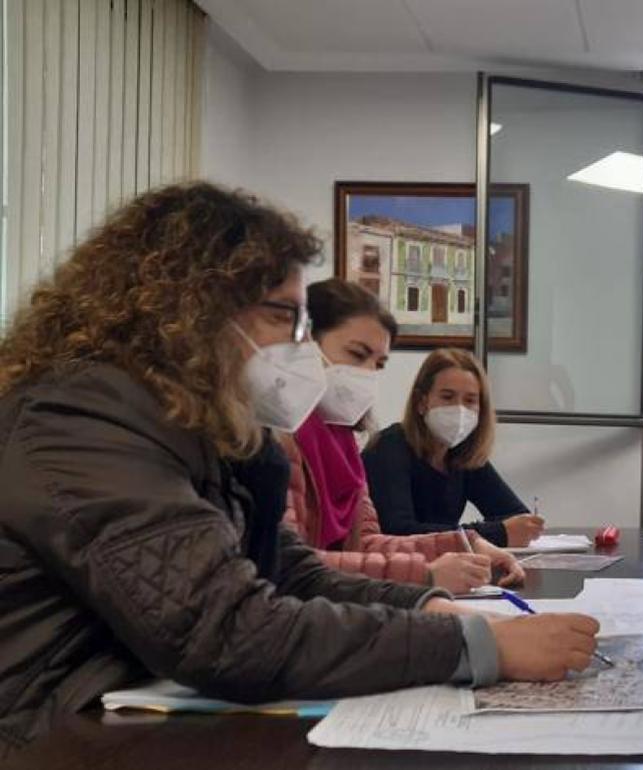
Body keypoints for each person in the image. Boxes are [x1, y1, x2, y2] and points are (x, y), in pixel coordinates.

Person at [0, 182, 598, 757]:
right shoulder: (82, 419)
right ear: (194, 306)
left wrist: (426, 607)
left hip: (117, 721)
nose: (297, 347)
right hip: (51, 739)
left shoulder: (198, 430)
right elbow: (227, 632)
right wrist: (478, 644)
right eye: (283, 317)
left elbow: (293, 574)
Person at [279, 278, 524, 594]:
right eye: (356, 354)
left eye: (378, 364)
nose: (366, 373)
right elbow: (292, 567)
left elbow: (366, 545)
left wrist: (469, 544)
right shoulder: (280, 442)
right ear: (305, 343)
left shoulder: (345, 446)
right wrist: (425, 575)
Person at [363, 348, 545, 548]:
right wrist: (494, 534)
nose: (460, 409)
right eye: (447, 397)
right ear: (421, 402)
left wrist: (514, 528)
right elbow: (398, 532)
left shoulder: (463, 454)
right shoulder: (387, 448)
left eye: (470, 400)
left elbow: (515, 517)